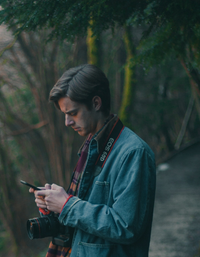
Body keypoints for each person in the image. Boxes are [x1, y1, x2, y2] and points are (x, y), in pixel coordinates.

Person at [30, 64, 156, 257]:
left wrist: (67, 205)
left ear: (96, 103)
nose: (67, 122)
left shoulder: (133, 153)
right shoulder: (91, 148)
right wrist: (53, 207)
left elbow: (126, 226)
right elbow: (83, 224)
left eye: (72, 113)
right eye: (65, 115)